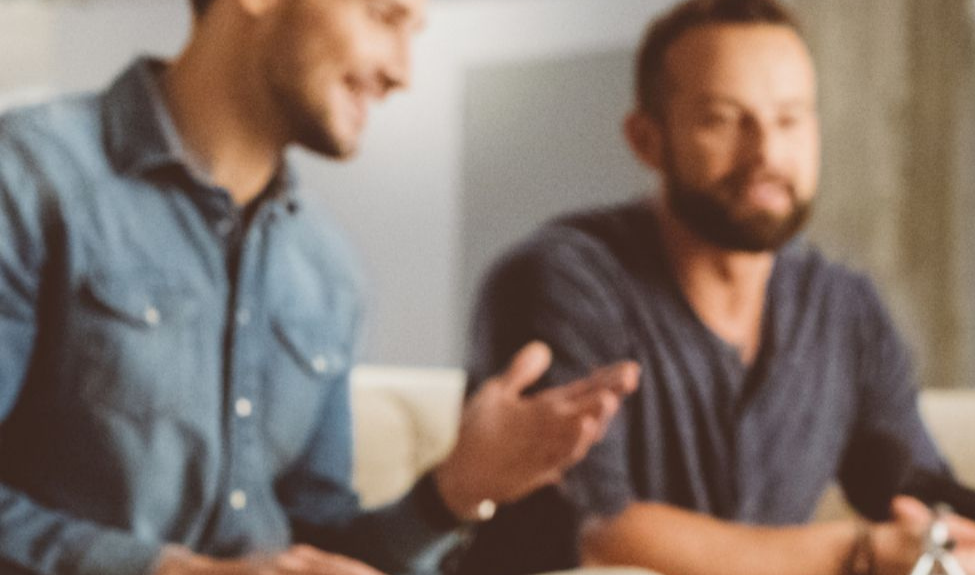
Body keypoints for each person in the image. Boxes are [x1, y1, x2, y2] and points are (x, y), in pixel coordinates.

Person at [0, 1, 637, 574]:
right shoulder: (28, 179)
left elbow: (319, 540)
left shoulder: (330, 272)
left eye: (416, 31)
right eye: (385, 17)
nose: (404, 72)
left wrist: (454, 492)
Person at [458, 0, 975, 573]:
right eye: (722, 119)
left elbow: (923, 511)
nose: (767, 154)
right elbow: (598, 536)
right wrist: (856, 552)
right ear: (647, 139)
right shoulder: (560, 281)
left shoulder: (845, 310)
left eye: (790, 119)